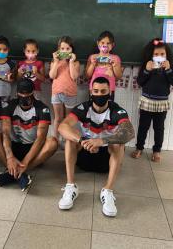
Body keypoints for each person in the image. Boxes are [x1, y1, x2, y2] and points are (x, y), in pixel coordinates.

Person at [58, 77, 135, 217]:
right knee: (70, 139)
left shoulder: (117, 111)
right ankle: (70, 187)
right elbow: (62, 127)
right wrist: (82, 141)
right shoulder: (83, 108)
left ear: (110, 92)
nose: (99, 94)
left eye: (103, 91)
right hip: (85, 153)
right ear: (91, 92)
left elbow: (129, 132)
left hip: (106, 159)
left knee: (119, 143)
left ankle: (108, 190)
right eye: (96, 91)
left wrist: (101, 141)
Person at [0, 78, 58, 191]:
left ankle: (16, 172)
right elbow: (5, 133)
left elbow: (40, 139)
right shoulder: (9, 106)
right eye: (22, 95)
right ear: (17, 94)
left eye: (28, 95)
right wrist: (10, 156)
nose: (25, 97)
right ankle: (13, 169)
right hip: (14, 146)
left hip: (33, 149)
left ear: (33, 93)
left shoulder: (42, 108)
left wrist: (25, 163)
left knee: (53, 142)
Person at [132, 38, 173, 162]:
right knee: (143, 126)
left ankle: (157, 151)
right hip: (146, 101)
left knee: (159, 128)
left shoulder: (169, 66)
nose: (159, 57)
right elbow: (140, 82)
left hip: (162, 103)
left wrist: (169, 69)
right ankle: (139, 148)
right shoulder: (147, 65)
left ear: (167, 55)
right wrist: (147, 70)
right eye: (156, 54)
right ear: (151, 55)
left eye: (162, 54)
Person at [49, 36, 80, 141]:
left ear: (72, 50)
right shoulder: (54, 62)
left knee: (67, 120)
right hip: (56, 93)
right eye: (62, 49)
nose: (65, 51)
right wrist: (56, 62)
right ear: (58, 50)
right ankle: (55, 140)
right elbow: (52, 76)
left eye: (68, 49)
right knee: (57, 118)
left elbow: (74, 76)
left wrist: (71, 62)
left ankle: (67, 141)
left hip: (70, 94)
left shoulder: (75, 63)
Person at [85, 31, 122, 100]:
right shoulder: (92, 57)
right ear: (98, 43)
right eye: (102, 43)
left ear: (112, 45)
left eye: (108, 43)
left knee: (108, 109)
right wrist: (92, 65)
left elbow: (119, 76)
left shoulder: (115, 58)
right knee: (93, 108)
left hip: (109, 90)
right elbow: (87, 76)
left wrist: (114, 66)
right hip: (94, 89)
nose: (105, 45)